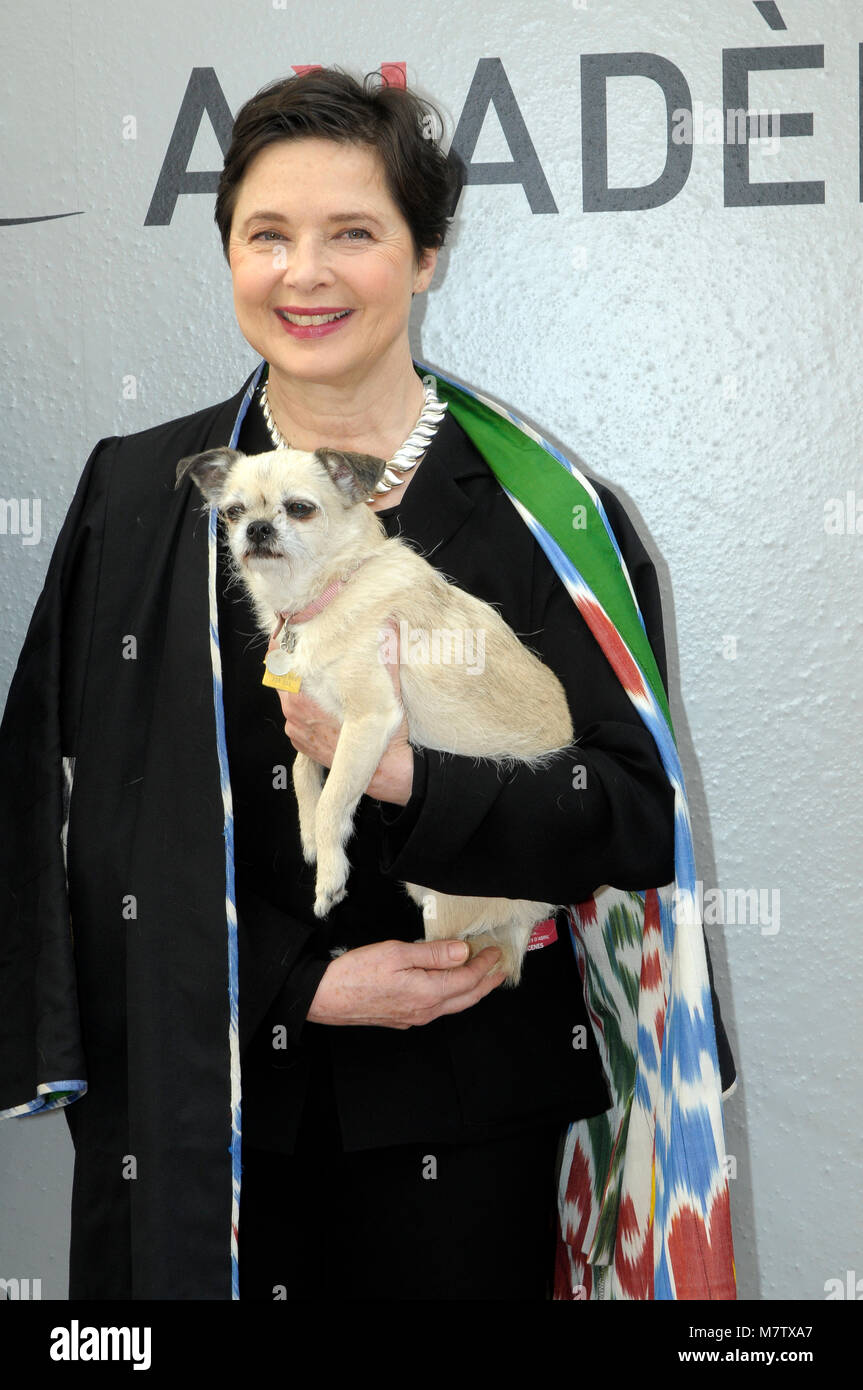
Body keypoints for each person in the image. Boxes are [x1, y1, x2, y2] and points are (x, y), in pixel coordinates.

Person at [0, 67, 735, 1300]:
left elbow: (625, 814)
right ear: (227, 252)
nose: (305, 274)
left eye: (354, 233)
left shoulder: (547, 520)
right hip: (205, 1104)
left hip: (469, 1119)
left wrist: (416, 784)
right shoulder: (136, 495)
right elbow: (71, 814)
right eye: (266, 236)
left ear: (428, 254)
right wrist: (297, 981)